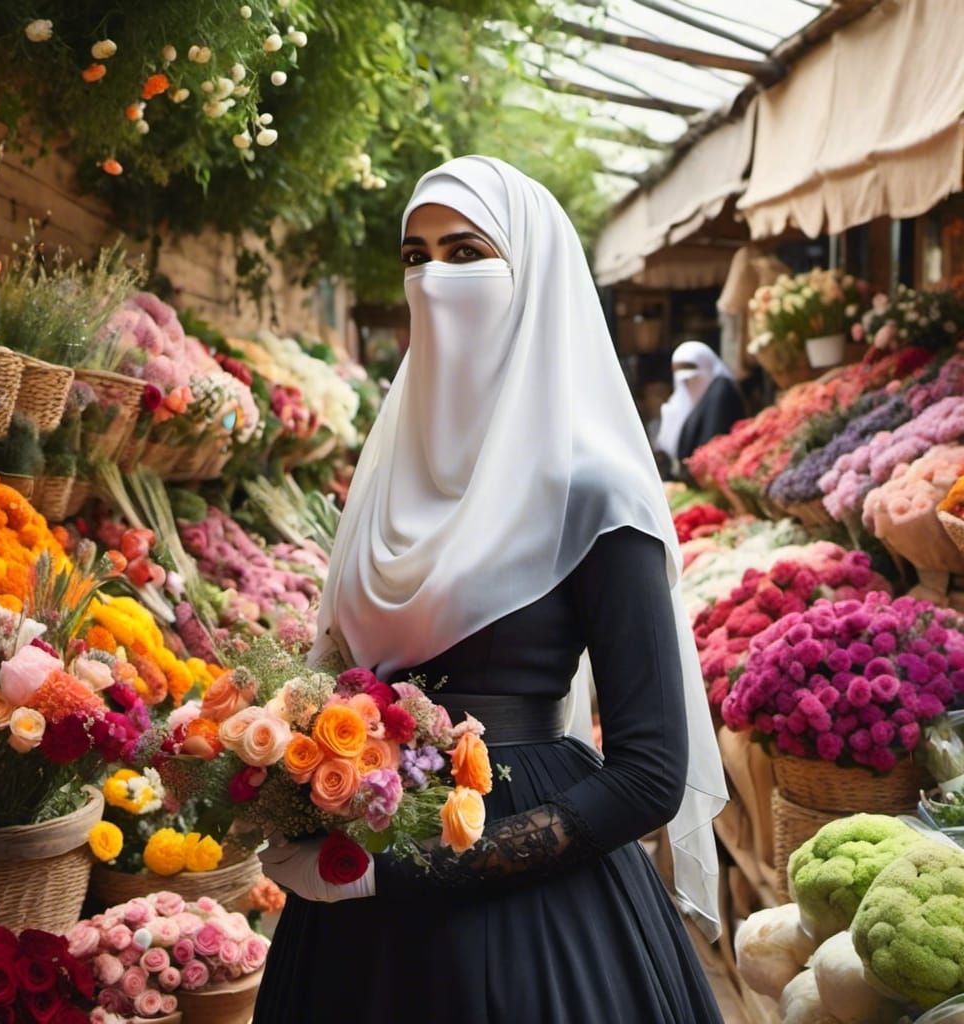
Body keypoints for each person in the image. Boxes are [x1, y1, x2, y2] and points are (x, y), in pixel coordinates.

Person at [253, 156, 728, 1024]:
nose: (436, 279)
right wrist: (277, 778)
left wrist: (402, 870)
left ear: (534, 275)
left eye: (468, 252)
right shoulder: (386, 476)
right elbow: (332, 669)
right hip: (356, 904)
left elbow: (653, 772)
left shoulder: (593, 490)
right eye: (416, 255)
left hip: (526, 912)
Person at [655, 341, 746, 474]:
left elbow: (713, 441)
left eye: (691, 376)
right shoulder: (689, 397)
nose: (687, 383)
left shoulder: (721, 391)